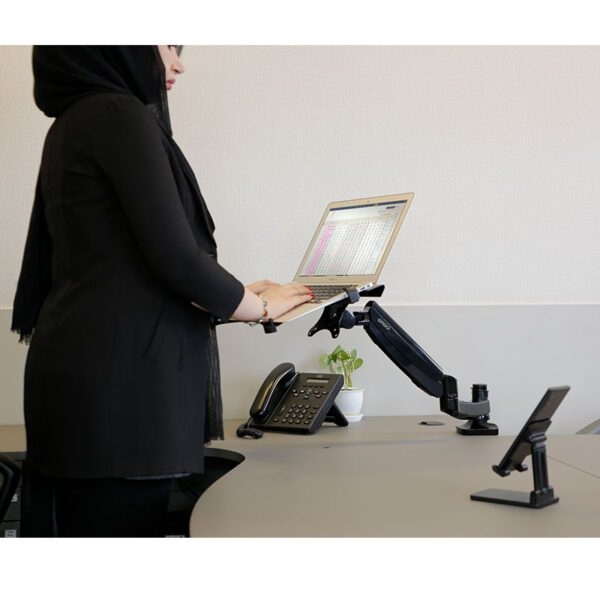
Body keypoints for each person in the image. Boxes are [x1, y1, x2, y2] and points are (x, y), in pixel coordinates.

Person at [11, 46, 313, 537]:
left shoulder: (75, 120)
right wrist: (258, 306)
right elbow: (176, 259)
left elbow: (125, 269)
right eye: (168, 44)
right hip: (121, 391)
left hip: (89, 377)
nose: (178, 63)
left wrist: (233, 294)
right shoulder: (117, 114)